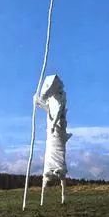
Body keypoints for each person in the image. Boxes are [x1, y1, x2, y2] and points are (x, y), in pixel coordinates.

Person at [33, 74, 71, 203]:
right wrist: (38, 102)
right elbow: (49, 109)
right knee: (49, 153)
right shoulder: (51, 98)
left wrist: (54, 124)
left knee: (59, 152)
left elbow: (59, 110)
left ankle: (63, 195)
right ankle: (43, 197)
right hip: (50, 130)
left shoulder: (61, 97)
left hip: (58, 128)